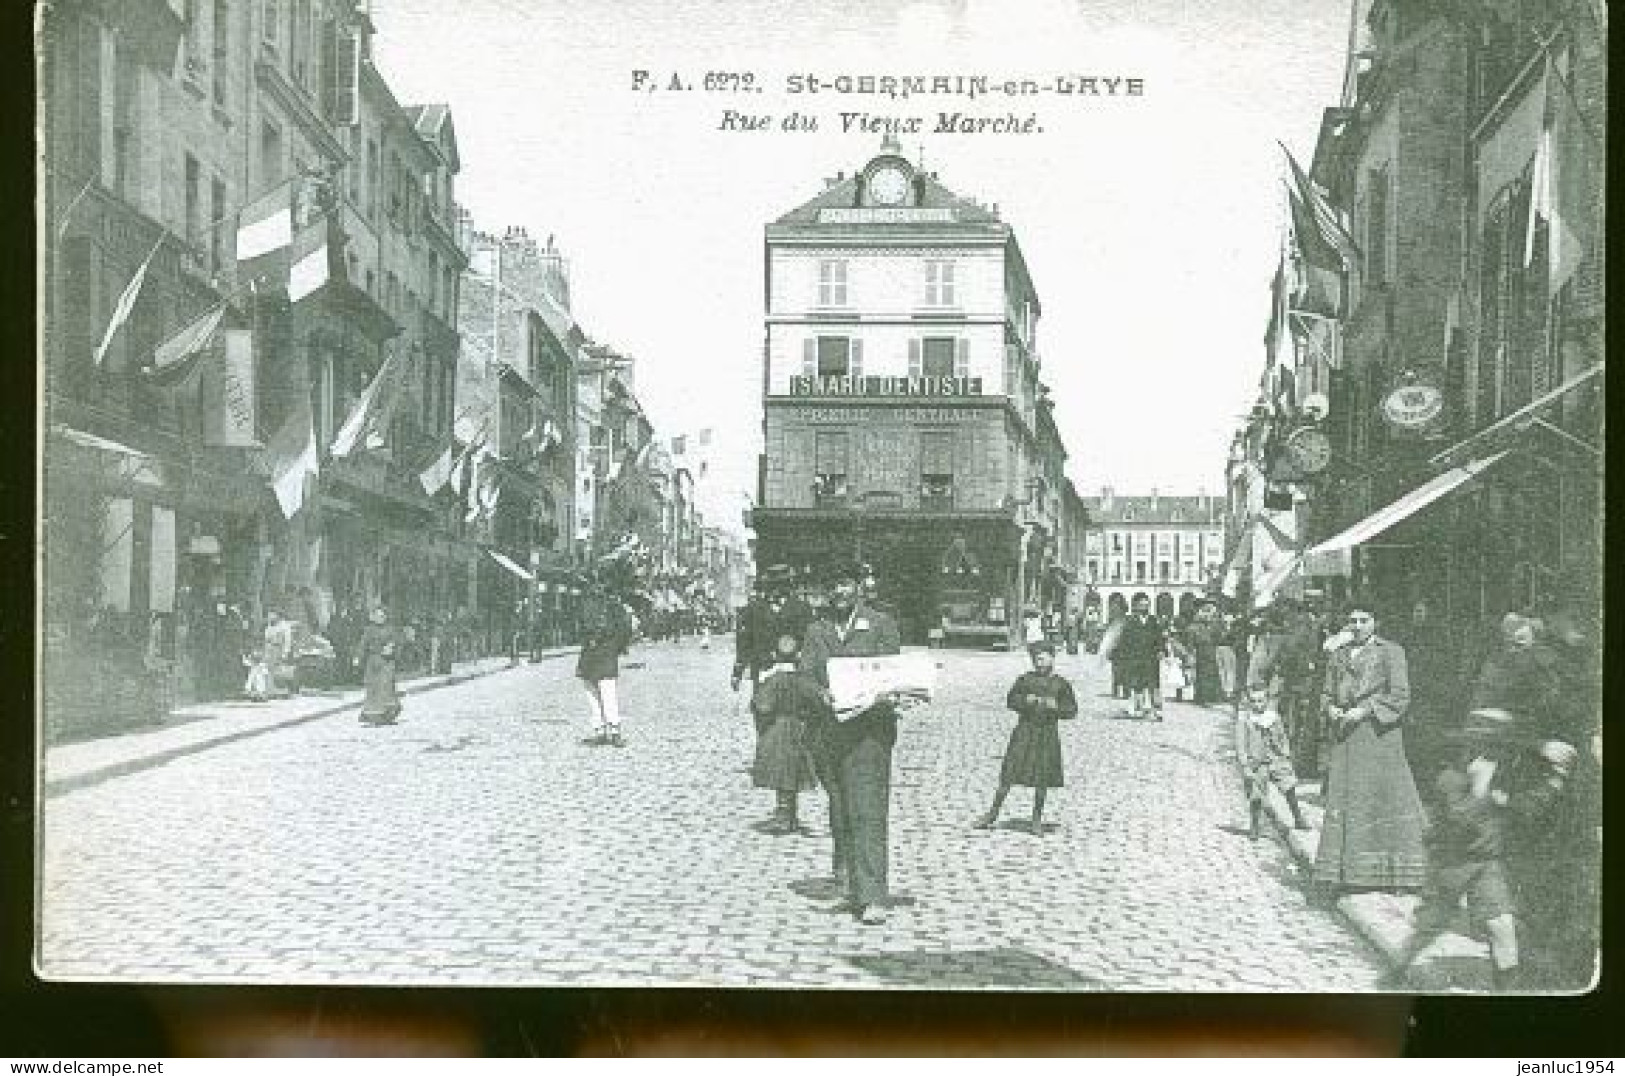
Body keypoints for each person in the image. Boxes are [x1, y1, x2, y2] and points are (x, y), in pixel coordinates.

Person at [799, 560, 905, 926]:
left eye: (845, 584)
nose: (839, 592)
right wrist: (820, 694)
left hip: (869, 735)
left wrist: (883, 695)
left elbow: (894, 675)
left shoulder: (880, 625)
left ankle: (874, 896)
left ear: (859, 587)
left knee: (868, 811)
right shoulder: (817, 630)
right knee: (840, 810)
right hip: (830, 733)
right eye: (833, 587)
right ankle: (846, 886)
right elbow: (804, 677)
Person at [1312, 601, 1427, 895]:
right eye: (1353, 620)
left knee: (1385, 799)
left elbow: (1400, 695)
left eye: (1364, 620)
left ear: (1376, 622)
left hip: (1380, 736)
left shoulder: (1391, 652)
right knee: (1349, 799)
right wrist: (1332, 710)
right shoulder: (1338, 655)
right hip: (1347, 737)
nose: (1358, 625)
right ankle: (1350, 873)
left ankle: (1396, 874)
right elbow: (1325, 692)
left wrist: (1366, 711)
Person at [1384, 757, 1522, 990]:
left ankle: (1508, 994)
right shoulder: (1452, 776)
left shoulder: (1502, 770)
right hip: (1452, 862)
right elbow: (1458, 820)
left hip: (1487, 862)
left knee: (1501, 924)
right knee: (1429, 925)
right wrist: (1480, 791)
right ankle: (1395, 972)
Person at [974, 641, 1076, 835]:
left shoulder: (1061, 684)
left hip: (1047, 734)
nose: (1039, 662)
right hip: (1024, 731)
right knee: (1009, 772)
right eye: (1036, 659)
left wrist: (1056, 707)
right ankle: (992, 813)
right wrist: (1024, 701)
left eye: (1043, 657)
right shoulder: (1025, 680)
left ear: (1052, 658)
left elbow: (1071, 710)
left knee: (1042, 776)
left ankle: (1036, 818)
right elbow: (1011, 700)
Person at [750, 633, 824, 835]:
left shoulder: (774, 679)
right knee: (793, 771)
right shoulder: (804, 680)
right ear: (798, 655)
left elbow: (762, 706)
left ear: (775, 655)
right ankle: (790, 814)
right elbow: (817, 702)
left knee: (782, 771)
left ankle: (784, 816)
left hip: (779, 728)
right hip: (800, 728)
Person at [1237, 682, 1308, 837]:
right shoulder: (1245, 720)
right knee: (1256, 795)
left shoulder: (1273, 717)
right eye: (1254, 701)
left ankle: (1298, 817)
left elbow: (1283, 737)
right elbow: (1241, 745)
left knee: (1289, 787)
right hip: (1257, 762)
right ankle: (1254, 826)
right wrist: (1245, 765)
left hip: (1276, 758)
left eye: (1261, 700)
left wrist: (1285, 754)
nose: (1257, 704)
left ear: (1266, 700)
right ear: (1249, 702)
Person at [577, 579, 633, 748]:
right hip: (598, 653)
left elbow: (624, 629)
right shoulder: (612, 606)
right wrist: (617, 647)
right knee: (598, 691)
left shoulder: (608, 607)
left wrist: (615, 646)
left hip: (597, 652)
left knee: (600, 691)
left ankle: (608, 730)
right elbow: (625, 629)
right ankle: (607, 730)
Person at [1115, 595, 1166, 720]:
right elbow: (1124, 640)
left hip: (1151, 657)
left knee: (1153, 684)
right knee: (1137, 683)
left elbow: (1159, 637)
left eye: (1147, 605)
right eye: (1142, 605)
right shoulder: (1130, 621)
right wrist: (1123, 655)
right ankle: (1139, 708)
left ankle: (1156, 709)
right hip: (1135, 657)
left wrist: (1161, 650)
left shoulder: (1154, 621)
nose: (1145, 607)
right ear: (1136, 606)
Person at [357, 607, 401, 726]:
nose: (380, 618)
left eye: (382, 616)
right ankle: (373, 714)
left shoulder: (390, 629)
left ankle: (388, 714)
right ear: (374, 617)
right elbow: (363, 644)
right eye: (378, 616)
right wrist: (358, 657)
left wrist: (392, 648)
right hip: (373, 662)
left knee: (386, 687)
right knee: (374, 688)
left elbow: (397, 642)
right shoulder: (369, 630)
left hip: (387, 662)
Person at [1187, 601, 1225, 705]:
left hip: (1211, 652)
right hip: (1201, 652)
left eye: (1211, 614)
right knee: (1202, 675)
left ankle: (1212, 697)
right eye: (1207, 613)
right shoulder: (1194, 627)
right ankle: (1202, 698)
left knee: (1212, 673)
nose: (1209, 616)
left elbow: (1218, 638)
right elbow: (1191, 644)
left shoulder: (1211, 626)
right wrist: (1191, 655)